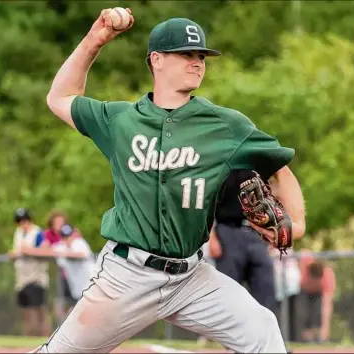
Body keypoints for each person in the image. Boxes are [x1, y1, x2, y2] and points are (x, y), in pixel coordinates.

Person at [33, 9, 306, 353]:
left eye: (201, 56)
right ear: (157, 60)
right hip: (126, 275)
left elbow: (281, 168)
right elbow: (59, 98)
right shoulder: (120, 120)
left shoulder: (226, 126)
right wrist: (95, 40)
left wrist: (297, 225)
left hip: (191, 277)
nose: (197, 62)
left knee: (262, 329)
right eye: (186, 54)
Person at [208, 170, 278, 315]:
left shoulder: (259, 162)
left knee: (265, 285)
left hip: (256, 232)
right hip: (227, 230)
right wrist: (211, 235)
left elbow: (273, 194)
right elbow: (208, 200)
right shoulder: (224, 161)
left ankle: (263, 333)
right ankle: (226, 333)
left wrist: (273, 229)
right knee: (229, 289)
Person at [8, 208, 52, 337]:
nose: (23, 224)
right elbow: (18, 251)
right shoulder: (18, 233)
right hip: (22, 279)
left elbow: (46, 251)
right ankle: (28, 341)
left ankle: (45, 340)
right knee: (26, 313)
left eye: (25, 220)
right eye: (20, 221)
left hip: (36, 278)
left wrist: (29, 251)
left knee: (39, 312)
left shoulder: (37, 233)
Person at [298, 252, 336, 343]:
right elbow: (303, 252)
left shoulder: (328, 277)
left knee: (318, 313)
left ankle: (319, 337)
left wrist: (325, 331)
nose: (314, 282)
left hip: (319, 295)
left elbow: (327, 306)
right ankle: (305, 336)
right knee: (304, 314)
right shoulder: (304, 269)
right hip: (304, 293)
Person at [271, 247, 302, 342]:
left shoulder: (285, 242)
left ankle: (293, 338)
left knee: (292, 314)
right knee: (277, 313)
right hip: (276, 285)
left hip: (290, 285)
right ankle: (278, 338)